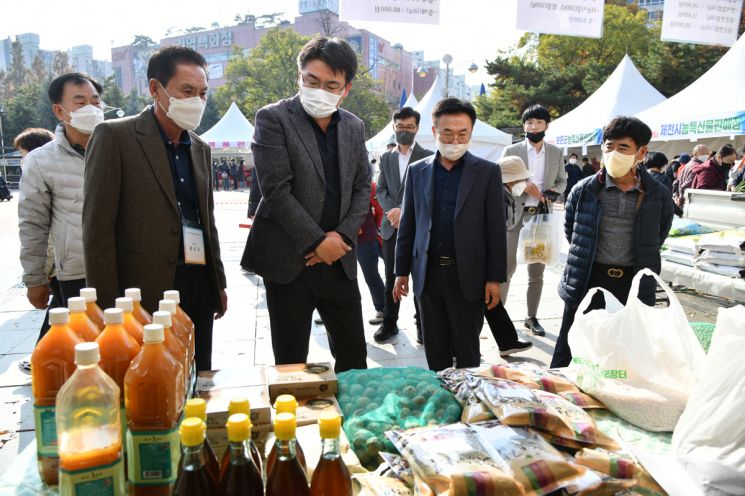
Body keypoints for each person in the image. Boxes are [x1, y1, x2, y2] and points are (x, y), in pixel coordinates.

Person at [83, 45, 228, 372]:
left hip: (197, 282)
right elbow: (97, 229)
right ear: (155, 89)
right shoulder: (115, 137)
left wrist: (217, 284)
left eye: (203, 92)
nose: (197, 101)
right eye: (187, 91)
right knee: (150, 379)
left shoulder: (200, 148)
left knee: (199, 373)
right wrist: (107, 306)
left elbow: (208, 222)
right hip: (142, 288)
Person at [240, 36, 370, 373]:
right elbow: (276, 190)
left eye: (331, 85)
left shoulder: (353, 127)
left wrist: (339, 239)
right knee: (291, 362)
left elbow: (361, 186)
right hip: (288, 260)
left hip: (339, 259)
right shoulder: (273, 118)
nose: (320, 91)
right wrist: (316, 242)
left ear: (346, 88)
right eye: (312, 81)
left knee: (354, 355)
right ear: (299, 77)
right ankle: (295, 423)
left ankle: (355, 419)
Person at [393, 98, 507, 371]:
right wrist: (401, 271)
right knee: (435, 346)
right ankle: (441, 399)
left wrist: (494, 278)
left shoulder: (488, 172)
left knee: (468, 348)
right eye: (447, 132)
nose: (455, 140)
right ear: (434, 132)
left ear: (470, 134)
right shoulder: (417, 171)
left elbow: (496, 229)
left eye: (462, 133)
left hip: (468, 275)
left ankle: (470, 403)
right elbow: (408, 224)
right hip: (428, 274)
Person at [551, 116, 674, 368]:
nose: (613, 153)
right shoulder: (584, 190)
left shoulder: (658, 194)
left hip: (633, 284)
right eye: (609, 146)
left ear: (642, 152)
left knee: (622, 358)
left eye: (623, 148)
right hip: (588, 279)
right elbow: (572, 231)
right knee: (572, 351)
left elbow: (658, 235)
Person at [19, 73, 104, 322]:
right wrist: (35, 279)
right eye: (80, 102)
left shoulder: (119, 149)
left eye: (96, 101)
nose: (91, 108)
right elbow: (33, 225)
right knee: (80, 347)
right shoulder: (41, 161)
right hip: (77, 274)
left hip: (124, 268)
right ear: (59, 111)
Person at [500, 104, 567, 337]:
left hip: (541, 216)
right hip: (514, 216)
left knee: (536, 271)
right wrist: (522, 186)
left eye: (538, 122)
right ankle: (500, 317)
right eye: (529, 123)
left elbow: (562, 181)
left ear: (547, 126)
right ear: (523, 125)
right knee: (506, 270)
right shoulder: (512, 151)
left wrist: (547, 195)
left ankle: (531, 317)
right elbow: (500, 180)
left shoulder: (556, 153)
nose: (533, 126)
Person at [375, 107, 433, 344]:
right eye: (400, 127)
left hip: (418, 228)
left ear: (417, 129)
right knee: (391, 277)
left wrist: (404, 212)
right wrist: (393, 211)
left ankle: (423, 325)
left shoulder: (429, 156)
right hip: (391, 226)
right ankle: (390, 323)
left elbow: (429, 193)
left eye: (409, 127)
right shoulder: (387, 158)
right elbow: (381, 189)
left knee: (420, 277)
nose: (405, 131)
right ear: (394, 127)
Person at [13, 128, 56, 374]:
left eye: (24, 154)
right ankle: (42, 360)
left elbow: (41, 229)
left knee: (58, 316)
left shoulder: (42, 172)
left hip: (60, 263)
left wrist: (43, 271)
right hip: (58, 263)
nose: (22, 160)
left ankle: (42, 361)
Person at [484, 155, 533, 357]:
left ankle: (507, 341)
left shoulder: (501, 194)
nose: (523, 183)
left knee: (489, 302)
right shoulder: (497, 197)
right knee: (487, 301)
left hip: (483, 257)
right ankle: (506, 341)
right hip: (483, 258)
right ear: (509, 180)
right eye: (520, 179)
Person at [357, 180, 386, 325]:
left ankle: (383, 309)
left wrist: (376, 229)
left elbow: (379, 209)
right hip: (339, 236)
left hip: (365, 237)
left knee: (371, 275)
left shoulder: (368, 183)